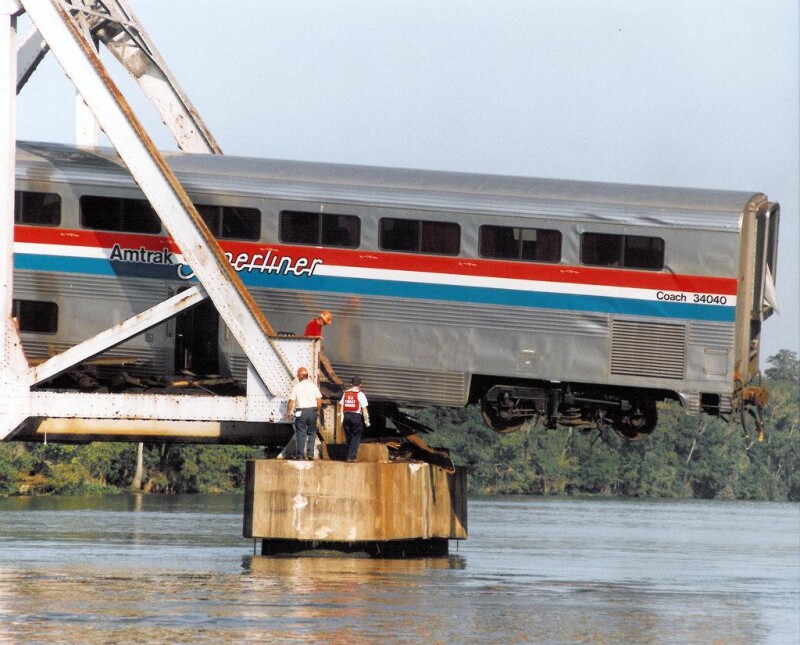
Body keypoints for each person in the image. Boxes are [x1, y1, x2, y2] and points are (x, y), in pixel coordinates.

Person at [285, 366, 322, 460]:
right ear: (307, 376)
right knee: (312, 433)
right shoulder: (314, 387)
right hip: (312, 411)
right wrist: (318, 411)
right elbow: (319, 400)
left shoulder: (297, 387)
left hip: (301, 412)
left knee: (300, 433)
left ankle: (300, 455)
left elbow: (291, 400)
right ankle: (310, 454)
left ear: (300, 377)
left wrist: (288, 411)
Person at [339, 376, 369, 462]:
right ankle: (350, 457)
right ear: (360, 385)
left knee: (349, 437)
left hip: (346, 416)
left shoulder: (346, 393)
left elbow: (341, 406)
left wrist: (341, 418)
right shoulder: (361, 394)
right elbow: (364, 408)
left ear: (351, 384)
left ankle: (352, 456)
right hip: (356, 417)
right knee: (356, 437)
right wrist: (366, 420)